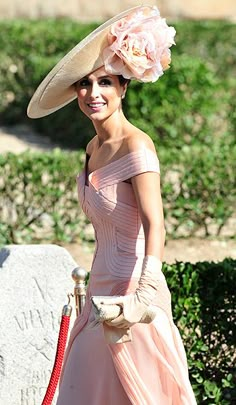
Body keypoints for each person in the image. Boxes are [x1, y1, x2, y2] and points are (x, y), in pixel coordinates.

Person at [28, 5, 196, 404]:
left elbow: (156, 224)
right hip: (97, 294)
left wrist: (145, 292)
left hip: (134, 294)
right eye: (85, 84)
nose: (93, 93)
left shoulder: (137, 145)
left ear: (123, 88)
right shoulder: (91, 148)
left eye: (105, 82)